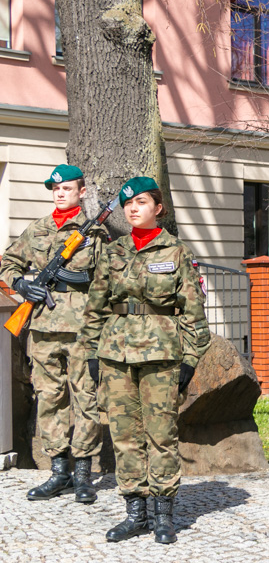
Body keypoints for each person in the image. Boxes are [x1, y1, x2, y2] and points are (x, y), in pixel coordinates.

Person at [80, 176, 210, 544]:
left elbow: (193, 312)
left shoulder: (177, 252)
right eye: (128, 204)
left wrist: (190, 358)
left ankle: (163, 513)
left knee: (161, 435)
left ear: (158, 207)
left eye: (140, 202)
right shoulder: (112, 251)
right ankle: (135, 512)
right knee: (124, 436)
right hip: (116, 355)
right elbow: (96, 307)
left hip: (161, 356)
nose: (133, 208)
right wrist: (92, 351)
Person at [0, 164, 107, 504]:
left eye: (67, 188)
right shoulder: (38, 230)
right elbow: (7, 263)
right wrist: (21, 285)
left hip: (82, 328)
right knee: (49, 398)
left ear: (82, 192)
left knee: (86, 399)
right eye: (55, 189)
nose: (60, 193)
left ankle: (83, 474)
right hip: (43, 327)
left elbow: (107, 281)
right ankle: (59, 471)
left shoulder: (95, 236)